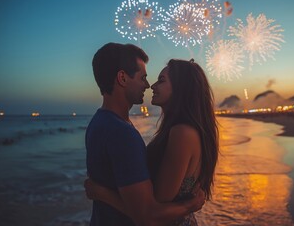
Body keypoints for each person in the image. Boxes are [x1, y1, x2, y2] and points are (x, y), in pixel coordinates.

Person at [85, 56, 219, 225]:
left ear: (181, 88)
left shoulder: (182, 133)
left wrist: (103, 193)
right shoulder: (179, 130)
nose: (152, 86)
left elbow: (152, 214)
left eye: (161, 81)